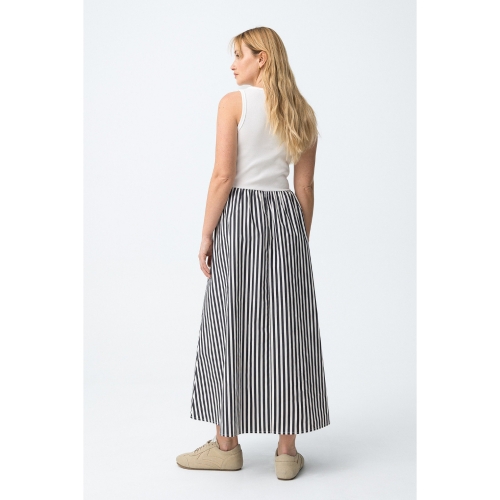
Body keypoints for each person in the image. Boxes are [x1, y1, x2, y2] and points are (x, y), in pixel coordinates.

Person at [176, 27, 330, 480]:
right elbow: (305, 186)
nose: (233, 64)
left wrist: (206, 234)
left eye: (240, 55)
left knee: (230, 321)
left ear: (262, 58)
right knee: (288, 328)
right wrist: (297, 240)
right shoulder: (303, 111)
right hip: (285, 218)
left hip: (239, 216)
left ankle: (226, 446)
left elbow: (223, 176)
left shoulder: (233, 104)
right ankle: (286, 453)